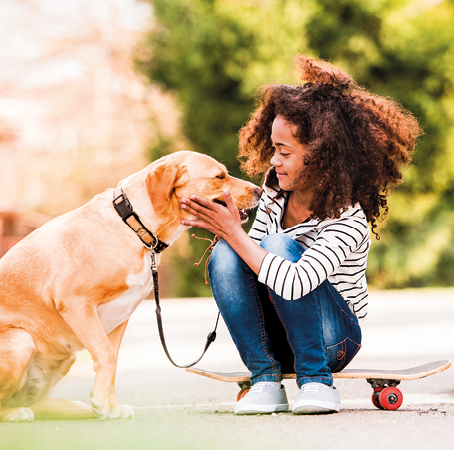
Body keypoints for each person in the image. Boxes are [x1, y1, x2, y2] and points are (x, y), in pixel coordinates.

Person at [179, 55, 421, 415]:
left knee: (276, 245)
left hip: (333, 340)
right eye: (273, 149)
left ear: (323, 156)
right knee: (227, 254)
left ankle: (317, 381)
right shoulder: (275, 190)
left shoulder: (347, 218)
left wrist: (233, 232)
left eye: (284, 152)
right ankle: (264, 379)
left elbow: (295, 282)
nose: (273, 161)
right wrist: (224, 229)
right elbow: (251, 256)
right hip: (278, 333)